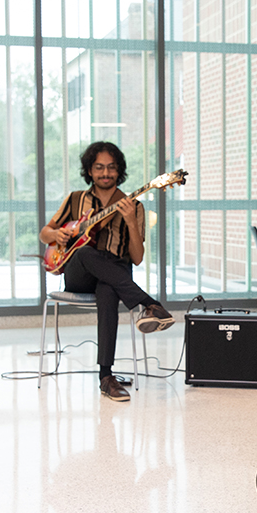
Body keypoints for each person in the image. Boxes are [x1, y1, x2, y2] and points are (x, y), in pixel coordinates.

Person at [40, 141, 174, 402]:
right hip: (79, 274)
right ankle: (149, 304)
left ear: (119, 171)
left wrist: (130, 223)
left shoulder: (133, 206)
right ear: (89, 170)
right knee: (88, 252)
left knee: (109, 288)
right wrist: (58, 233)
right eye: (99, 167)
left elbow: (136, 258)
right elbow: (45, 233)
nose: (105, 173)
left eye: (111, 168)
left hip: (115, 275)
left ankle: (106, 377)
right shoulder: (75, 199)